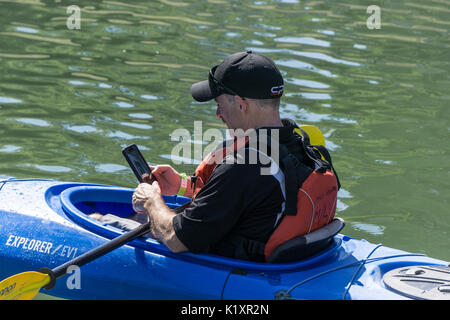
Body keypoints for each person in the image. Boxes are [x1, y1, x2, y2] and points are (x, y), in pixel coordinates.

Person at [94, 50, 339, 262]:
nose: (217, 113)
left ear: (242, 104)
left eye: (220, 103)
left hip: (234, 268)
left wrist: (150, 200)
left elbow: (176, 239)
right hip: (302, 255)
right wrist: (183, 186)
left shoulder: (244, 164)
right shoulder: (301, 144)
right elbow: (258, 199)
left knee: (98, 218)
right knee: (142, 215)